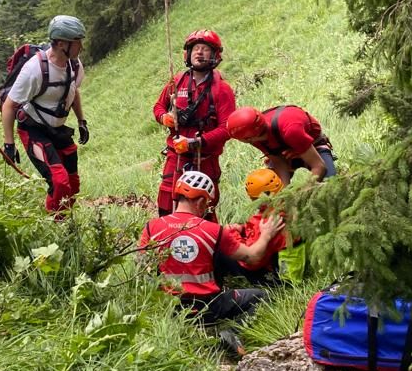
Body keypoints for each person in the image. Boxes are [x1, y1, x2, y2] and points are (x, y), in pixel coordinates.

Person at [139, 169, 284, 355]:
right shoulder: (214, 231)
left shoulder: (151, 228)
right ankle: (233, 332)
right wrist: (266, 235)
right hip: (208, 307)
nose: (206, 207)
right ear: (200, 201)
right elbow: (252, 256)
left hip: (169, 307)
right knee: (263, 296)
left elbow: (141, 267)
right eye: (207, 203)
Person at [1, 15, 88, 215]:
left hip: (58, 130)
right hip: (34, 130)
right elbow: (9, 106)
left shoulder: (74, 65)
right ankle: (54, 224)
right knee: (60, 182)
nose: (81, 47)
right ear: (60, 43)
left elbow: (73, 92)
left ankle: (64, 219)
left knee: (73, 185)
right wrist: (9, 144)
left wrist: (82, 121)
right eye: (77, 42)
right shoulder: (34, 69)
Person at [153, 29, 236, 216]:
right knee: (167, 204)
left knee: (203, 208)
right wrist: (163, 117)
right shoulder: (177, 82)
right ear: (188, 54)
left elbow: (227, 129)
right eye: (196, 48)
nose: (199, 52)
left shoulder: (222, 90)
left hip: (204, 160)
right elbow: (158, 106)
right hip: (176, 158)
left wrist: (195, 143)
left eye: (205, 49)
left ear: (215, 55)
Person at [226, 104, 336, 185]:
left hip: (313, 146)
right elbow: (279, 163)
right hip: (285, 153)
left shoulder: (290, 130)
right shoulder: (255, 137)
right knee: (269, 186)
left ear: (247, 138)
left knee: (331, 185)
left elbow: (319, 166)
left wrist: (303, 194)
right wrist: (283, 196)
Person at [215, 168, 289, 285]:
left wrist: (232, 233)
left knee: (219, 247)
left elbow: (251, 262)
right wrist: (243, 228)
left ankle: (217, 284)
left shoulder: (264, 221)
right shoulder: (287, 209)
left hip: (271, 278)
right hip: (288, 267)